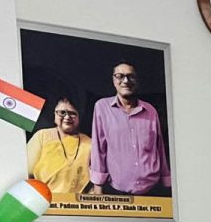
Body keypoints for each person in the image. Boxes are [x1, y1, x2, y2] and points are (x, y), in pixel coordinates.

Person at [88, 62, 171, 196]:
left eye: (131, 76)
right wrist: (98, 187)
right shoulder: (102, 107)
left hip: (152, 189)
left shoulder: (150, 110)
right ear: (113, 80)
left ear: (137, 81)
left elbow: (159, 148)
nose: (126, 81)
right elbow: (98, 148)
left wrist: (167, 183)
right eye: (120, 76)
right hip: (117, 192)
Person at [25, 96, 93, 197]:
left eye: (72, 113)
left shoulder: (90, 144)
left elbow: (94, 183)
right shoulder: (42, 136)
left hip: (75, 203)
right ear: (55, 114)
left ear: (79, 117)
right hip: (41, 199)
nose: (67, 117)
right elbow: (26, 173)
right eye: (62, 112)